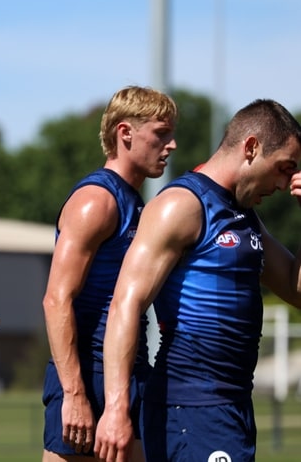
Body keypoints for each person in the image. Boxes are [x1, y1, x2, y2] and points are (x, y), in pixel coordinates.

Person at [94, 99, 301, 462]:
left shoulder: (245, 217)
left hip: (231, 407)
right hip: (189, 409)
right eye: (283, 168)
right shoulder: (183, 205)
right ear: (251, 147)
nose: (286, 184)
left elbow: (296, 289)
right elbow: (126, 303)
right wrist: (115, 407)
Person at [41, 86, 178, 462]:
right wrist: (75, 395)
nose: (172, 145)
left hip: (129, 372)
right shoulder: (96, 201)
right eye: (161, 133)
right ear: (125, 133)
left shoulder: (136, 201)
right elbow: (56, 299)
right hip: (88, 375)